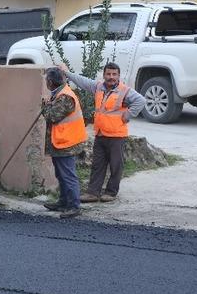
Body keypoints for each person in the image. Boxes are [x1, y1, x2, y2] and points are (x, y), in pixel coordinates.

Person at [58, 62, 146, 203]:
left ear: (118, 76)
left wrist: (128, 115)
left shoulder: (124, 91)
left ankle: (111, 192)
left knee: (116, 165)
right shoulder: (98, 87)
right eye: (108, 74)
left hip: (116, 136)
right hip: (100, 134)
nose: (111, 77)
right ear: (104, 75)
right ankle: (92, 192)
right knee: (97, 165)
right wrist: (67, 73)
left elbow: (140, 101)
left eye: (114, 74)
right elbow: (83, 82)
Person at [41, 67, 88, 218]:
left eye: (46, 80)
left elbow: (52, 116)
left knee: (68, 175)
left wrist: (44, 106)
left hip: (67, 143)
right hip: (60, 141)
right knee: (61, 174)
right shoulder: (59, 94)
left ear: (50, 82)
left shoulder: (65, 97)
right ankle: (63, 202)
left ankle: (74, 206)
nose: (46, 82)